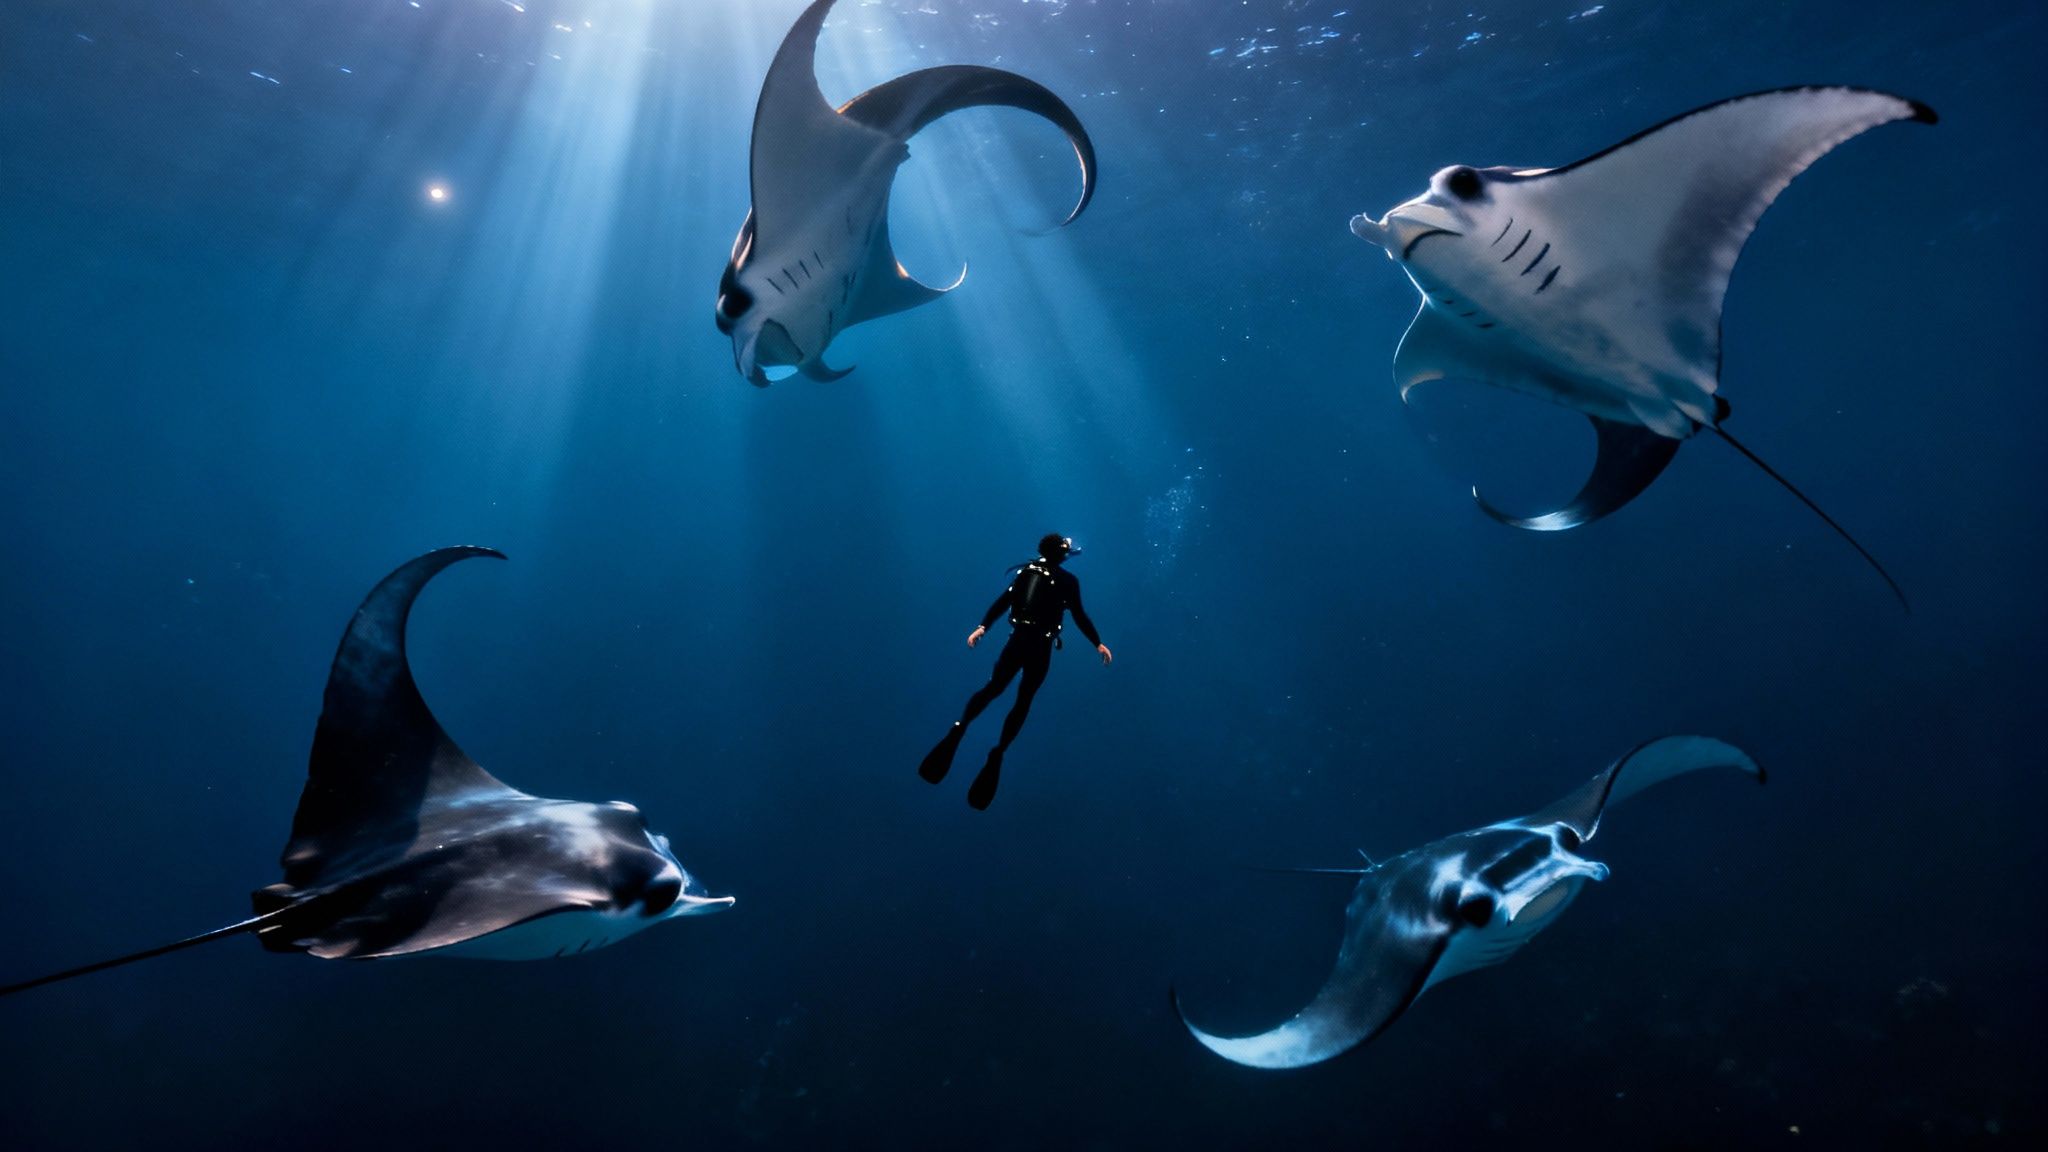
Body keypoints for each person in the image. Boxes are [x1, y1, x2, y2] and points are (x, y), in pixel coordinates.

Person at [919, 533, 1112, 810]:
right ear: (1061, 553)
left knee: (992, 688)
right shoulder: (1068, 581)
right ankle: (999, 751)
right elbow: (1079, 615)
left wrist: (982, 627)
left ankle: (960, 727)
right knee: (1024, 700)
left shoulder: (1027, 571)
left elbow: (1002, 602)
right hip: (1040, 646)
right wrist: (1097, 643)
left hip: (1017, 640)